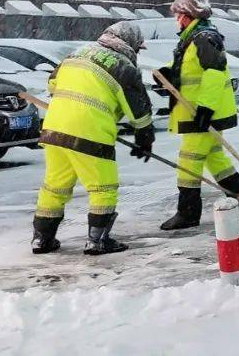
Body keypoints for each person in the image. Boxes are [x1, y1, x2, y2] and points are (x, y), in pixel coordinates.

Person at [32, 22, 156, 256]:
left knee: (54, 187)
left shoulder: (75, 54)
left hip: (54, 129)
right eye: (138, 48)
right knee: (103, 187)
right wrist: (144, 138)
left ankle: (42, 239)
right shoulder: (124, 67)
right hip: (91, 133)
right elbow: (138, 111)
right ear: (130, 44)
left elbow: (52, 85)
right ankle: (97, 240)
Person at [157, 0, 239, 230]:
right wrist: (169, 74)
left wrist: (205, 109)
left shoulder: (204, 37)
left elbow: (213, 74)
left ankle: (188, 213)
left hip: (201, 113)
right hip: (199, 112)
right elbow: (189, 68)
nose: (176, 19)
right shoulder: (193, 37)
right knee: (216, 159)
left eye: (178, 14)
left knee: (189, 161)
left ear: (188, 14)